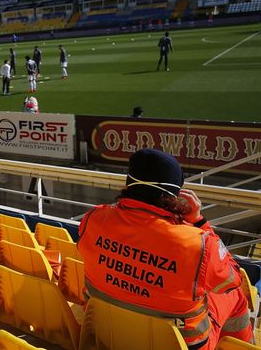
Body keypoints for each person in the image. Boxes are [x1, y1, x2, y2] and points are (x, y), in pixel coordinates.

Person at [78, 149, 253, 350]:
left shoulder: (93, 218)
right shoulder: (199, 243)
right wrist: (200, 222)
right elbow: (232, 279)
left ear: (128, 184)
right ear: (175, 196)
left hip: (108, 335)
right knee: (236, 295)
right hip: (180, 345)